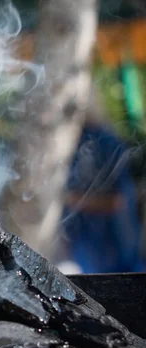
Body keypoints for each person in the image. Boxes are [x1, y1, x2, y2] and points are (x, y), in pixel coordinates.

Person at [61, 89, 143, 274]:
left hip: (115, 244)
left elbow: (118, 201)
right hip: (86, 247)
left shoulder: (106, 142)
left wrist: (68, 200)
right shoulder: (69, 142)